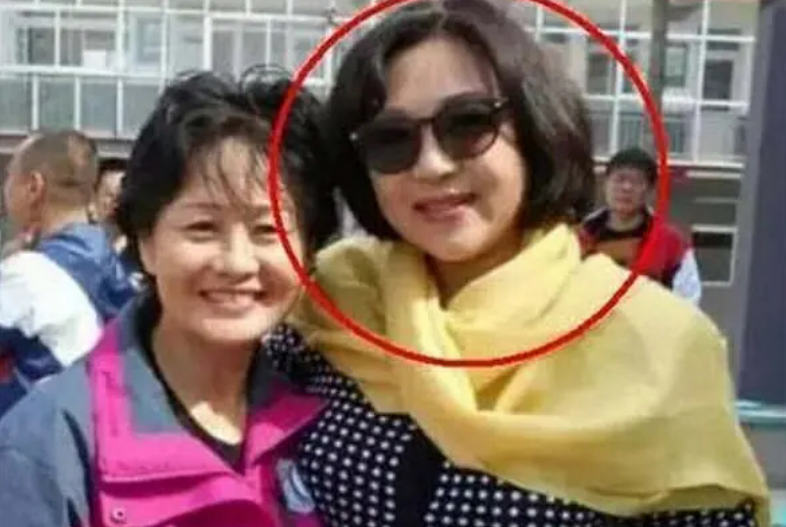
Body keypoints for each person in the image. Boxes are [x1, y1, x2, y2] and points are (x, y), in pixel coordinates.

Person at [265, 1, 770, 526]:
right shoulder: (331, 302)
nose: (432, 165)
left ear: (533, 130)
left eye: (468, 124)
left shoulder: (661, 345)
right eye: (391, 139)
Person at [0, 69, 337, 526]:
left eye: (267, 230)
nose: (237, 262)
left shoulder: (323, 416)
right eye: (203, 227)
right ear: (146, 241)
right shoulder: (46, 445)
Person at [0, 130, 136, 417]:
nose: (5, 186)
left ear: (34, 186)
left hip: (33, 431)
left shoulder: (27, 274)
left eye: (10, 175)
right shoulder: (112, 263)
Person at [580, 147, 703, 304]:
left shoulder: (671, 244)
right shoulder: (579, 237)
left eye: (636, 182)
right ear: (605, 184)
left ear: (650, 191)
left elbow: (688, 300)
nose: (626, 188)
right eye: (620, 179)